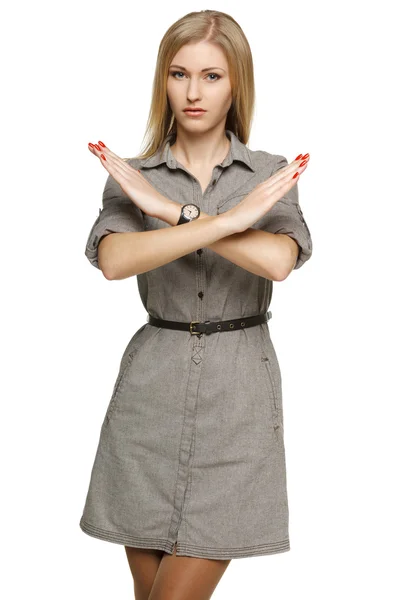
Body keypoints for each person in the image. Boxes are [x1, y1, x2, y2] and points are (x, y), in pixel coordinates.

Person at [79, 9, 312, 600]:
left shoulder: (269, 175)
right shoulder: (130, 175)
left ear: (237, 84)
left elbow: (279, 262)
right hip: (150, 396)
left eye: (212, 76)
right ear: (164, 80)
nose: (193, 91)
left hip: (239, 396)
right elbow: (115, 261)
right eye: (180, 74)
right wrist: (230, 222)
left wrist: (171, 213)